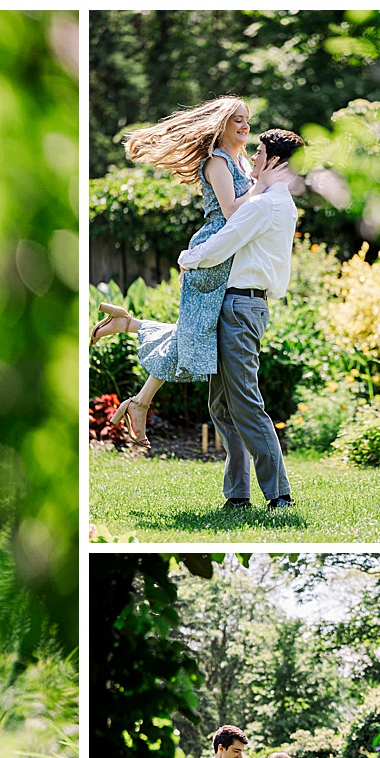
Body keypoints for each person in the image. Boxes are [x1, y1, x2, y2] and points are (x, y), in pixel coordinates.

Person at [95, 127, 305, 510]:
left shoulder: (266, 205)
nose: (253, 160)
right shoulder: (277, 201)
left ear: (275, 160)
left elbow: (223, 242)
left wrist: (186, 259)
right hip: (240, 305)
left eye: (259, 153)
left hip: (242, 306)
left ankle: (280, 495)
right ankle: (238, 495)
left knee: (244, 402)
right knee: (222, 406)